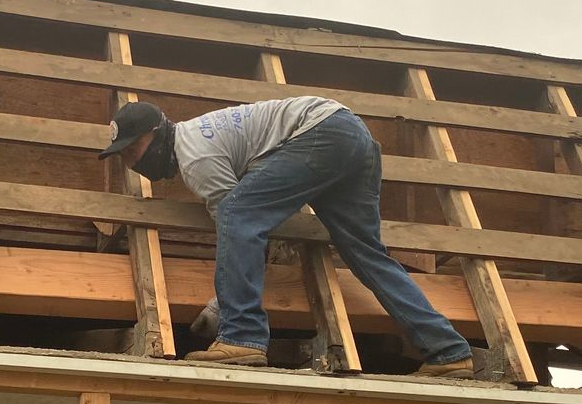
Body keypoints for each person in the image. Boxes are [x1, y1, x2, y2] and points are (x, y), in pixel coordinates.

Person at [99, 98, 475, 376]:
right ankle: (447, 351)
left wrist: (220, 310)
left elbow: (241, 224)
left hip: (323, 134)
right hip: (351, 135)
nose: (132, 161)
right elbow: (247, 235)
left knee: (236, 211)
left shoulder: (195, 157)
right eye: (124, 157)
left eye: (134, 149)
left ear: (158, 132)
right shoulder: (201, 140)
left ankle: (241, 337)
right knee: (366, 255)